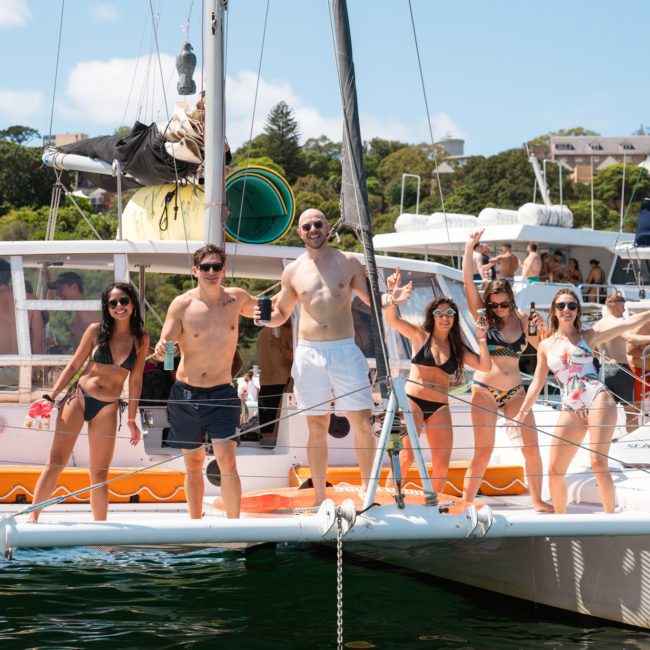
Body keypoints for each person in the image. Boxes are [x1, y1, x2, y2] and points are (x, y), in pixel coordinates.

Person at [256, 208, 412, 505]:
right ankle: (318, 498)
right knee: (316, 428)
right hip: (309, 353)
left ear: (327, 227)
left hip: (344, 350)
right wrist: (263, 319)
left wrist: (393, 297)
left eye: (318, 224)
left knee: (363, 424)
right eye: (307, 226)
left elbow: (372, 300)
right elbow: (280, 314)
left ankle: (369, 496)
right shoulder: (292, 271)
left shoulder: (348, 262)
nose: (313, 229)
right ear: (300, 233)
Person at [512, 288, 650, 514]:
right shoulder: (546, 345)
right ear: (555, 311)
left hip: (598, 398)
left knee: (597, 462)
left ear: (577, 311)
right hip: (571, 405)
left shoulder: (589, 335)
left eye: (572, 306)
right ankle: (560, 519)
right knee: (555, 469)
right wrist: (521, 414)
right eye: (562, 306)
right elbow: (537, 383)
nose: (567, 310)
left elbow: (627, 324)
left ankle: (610, 518)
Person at [28, 282, 148, 522]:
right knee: (56, 462)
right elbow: (74, 365)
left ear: (132, 303)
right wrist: (50, 397)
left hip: (108, 407)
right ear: (107, 307)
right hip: (79, 398)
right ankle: (32, 519)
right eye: (113, 303)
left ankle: (100, 536)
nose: (119, 306)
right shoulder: (95, 331)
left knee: (100, 474)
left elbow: (135, 379)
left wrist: (133, 418)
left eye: (124, 300)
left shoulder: (140, 339)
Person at [154, 244, 258, 519]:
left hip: (222, 393)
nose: (211, 272)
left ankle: (234, 528)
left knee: (228, 462)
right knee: (193, 463)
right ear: (195, 270)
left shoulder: (236, 299)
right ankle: (195, 523)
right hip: (186, 394)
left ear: (224, 270)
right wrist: (162, 347)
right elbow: (166, 337)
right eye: (205, 267)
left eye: (216, 267)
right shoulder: (182, 304)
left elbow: (270, 311)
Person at [462, 230, 552, 512]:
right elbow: (467, 282)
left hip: (515, 392)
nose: (498, 309)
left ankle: (537, 500)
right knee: (483, 453)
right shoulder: (483, 316)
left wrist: (543, 329)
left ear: (511, 300)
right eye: (494, 304)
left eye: (503, 304)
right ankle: (465, 504)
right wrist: (469, 247)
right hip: (484, 390)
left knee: (532, 448)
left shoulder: (524, 319)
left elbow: (542, 347)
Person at [383, 270, 491, 492]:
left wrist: (482, 336)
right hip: (412, 400)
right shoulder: (420, 336)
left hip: (440, 406)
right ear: (432, 316)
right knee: (406, 457)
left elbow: (485, 366)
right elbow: (391, 319)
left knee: (442, 464)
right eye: (439, 313)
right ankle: (388, 500)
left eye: (449, 313)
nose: (444, 317)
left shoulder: (457, 348)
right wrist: (393, 296)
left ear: (454, 318)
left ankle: (430, 506)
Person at [596, 294, 650, 433]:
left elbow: (592, 350)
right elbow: (630, 338)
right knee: (631, 412)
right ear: (613, 305)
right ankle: (632, 444)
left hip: (603, 370)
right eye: (622, 306)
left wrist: (602, 358)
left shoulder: (597, 325)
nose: (623, 310)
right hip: (621, 370)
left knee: (604, 412)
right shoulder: (615, 322)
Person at [256, 320, 293, 439]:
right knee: (280, 435)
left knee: (267, 434)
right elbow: (295, 356)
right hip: (282, 384)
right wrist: (280, 346)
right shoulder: (286, 332)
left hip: (265, 385)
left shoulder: (261, 333)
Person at [47, 271, 101, 350]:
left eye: (61, 289)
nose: (57, 294)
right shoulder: (79, 313)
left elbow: (99, 349)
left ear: (74, 287)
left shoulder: (87, 316)